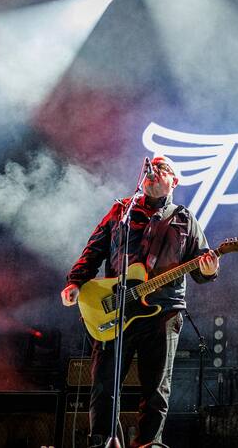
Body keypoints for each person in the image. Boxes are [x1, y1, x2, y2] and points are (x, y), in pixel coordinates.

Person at [61, 156, 218, 448]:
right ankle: (104, 442)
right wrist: (75, 281)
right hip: (117, 307)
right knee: (104, 385)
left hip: (163, 311)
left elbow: (202, 268)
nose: (153, 170)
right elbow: (93, 249)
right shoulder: (121, 210)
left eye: (162, 168)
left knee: (156, 388)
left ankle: (149, 444)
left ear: (175, 181)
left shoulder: (184, 219)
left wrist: (209, 270)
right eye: (151, 166)